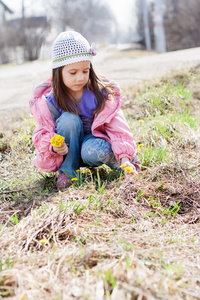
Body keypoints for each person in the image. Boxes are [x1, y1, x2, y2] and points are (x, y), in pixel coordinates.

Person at [30, 31, 140, 189]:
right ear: (58, 72)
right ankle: (68, 171)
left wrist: (124, 157)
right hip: (67, 150)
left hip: (91, 145)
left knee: (94, 151)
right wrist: (52, 145)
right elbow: (41, 133)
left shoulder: (98, 94)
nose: (80, 78)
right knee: (69, 119)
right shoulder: (50, 101)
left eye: (85, 71)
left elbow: (117, 126)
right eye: (73, 73)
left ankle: (127, 163)